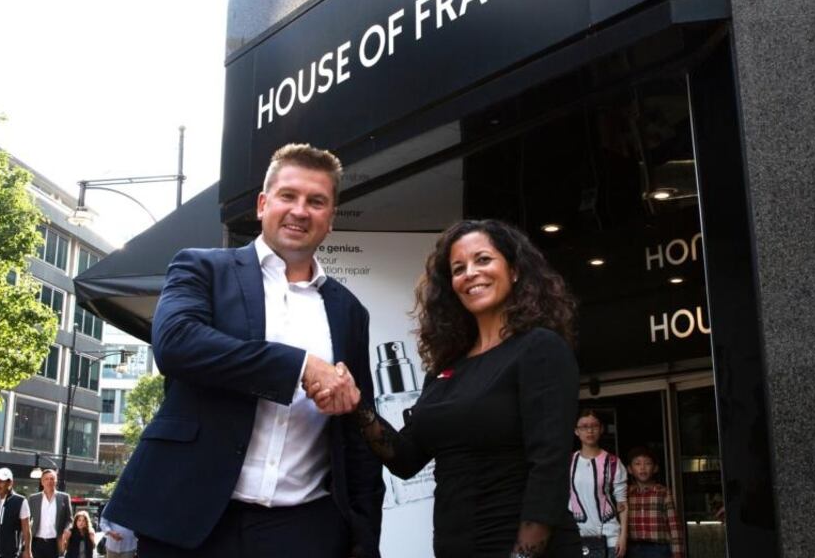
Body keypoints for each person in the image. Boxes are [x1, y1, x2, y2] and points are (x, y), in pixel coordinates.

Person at [103, 143, 383, 558]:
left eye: (316, 201)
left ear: (330, 219)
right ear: (262, 204)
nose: (300, 210)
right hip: (190, 521)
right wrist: (301, 366)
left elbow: (357, 434)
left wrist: (363, 534)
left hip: (306, 529)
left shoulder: (349, 311)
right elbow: (177, 344)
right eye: (288, 196)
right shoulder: (203, 268)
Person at [338, 219, 579, 557]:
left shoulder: (540, 348)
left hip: (520, 546)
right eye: (458, 268)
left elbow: (550, 467)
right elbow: (405, 459)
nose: (470, 273)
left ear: (514, 270)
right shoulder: (445, 369)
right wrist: (356, 405)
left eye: (483, 259)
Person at [570, 411, 628, 558]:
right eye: (584, 426)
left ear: (601, 429)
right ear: (576, 431)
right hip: (577, 537)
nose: (589, 430)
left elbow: (622, 502)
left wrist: (623, 537)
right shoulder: (568, 462)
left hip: (609, 537)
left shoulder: (613, 462)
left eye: (594, 426)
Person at [625, 447, 684, 558]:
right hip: (632, 549)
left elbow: (674, 525)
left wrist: (678, 553)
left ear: (655, 468)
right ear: (629, 469)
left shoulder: (663, 492)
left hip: (658, 550)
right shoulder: (625, 494)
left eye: (647, 463)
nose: (642, 468)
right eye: (637, 464)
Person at [27, 470, 73, 558]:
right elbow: (27, 519)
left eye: (52, 479)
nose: (49, 481)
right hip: (36, 542)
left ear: (56, 481)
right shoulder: (33, 498)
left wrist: (67, 530)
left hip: (55, 542)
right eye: (46, 479)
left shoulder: (64, 497)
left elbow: (69, 520)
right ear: (42, 482)